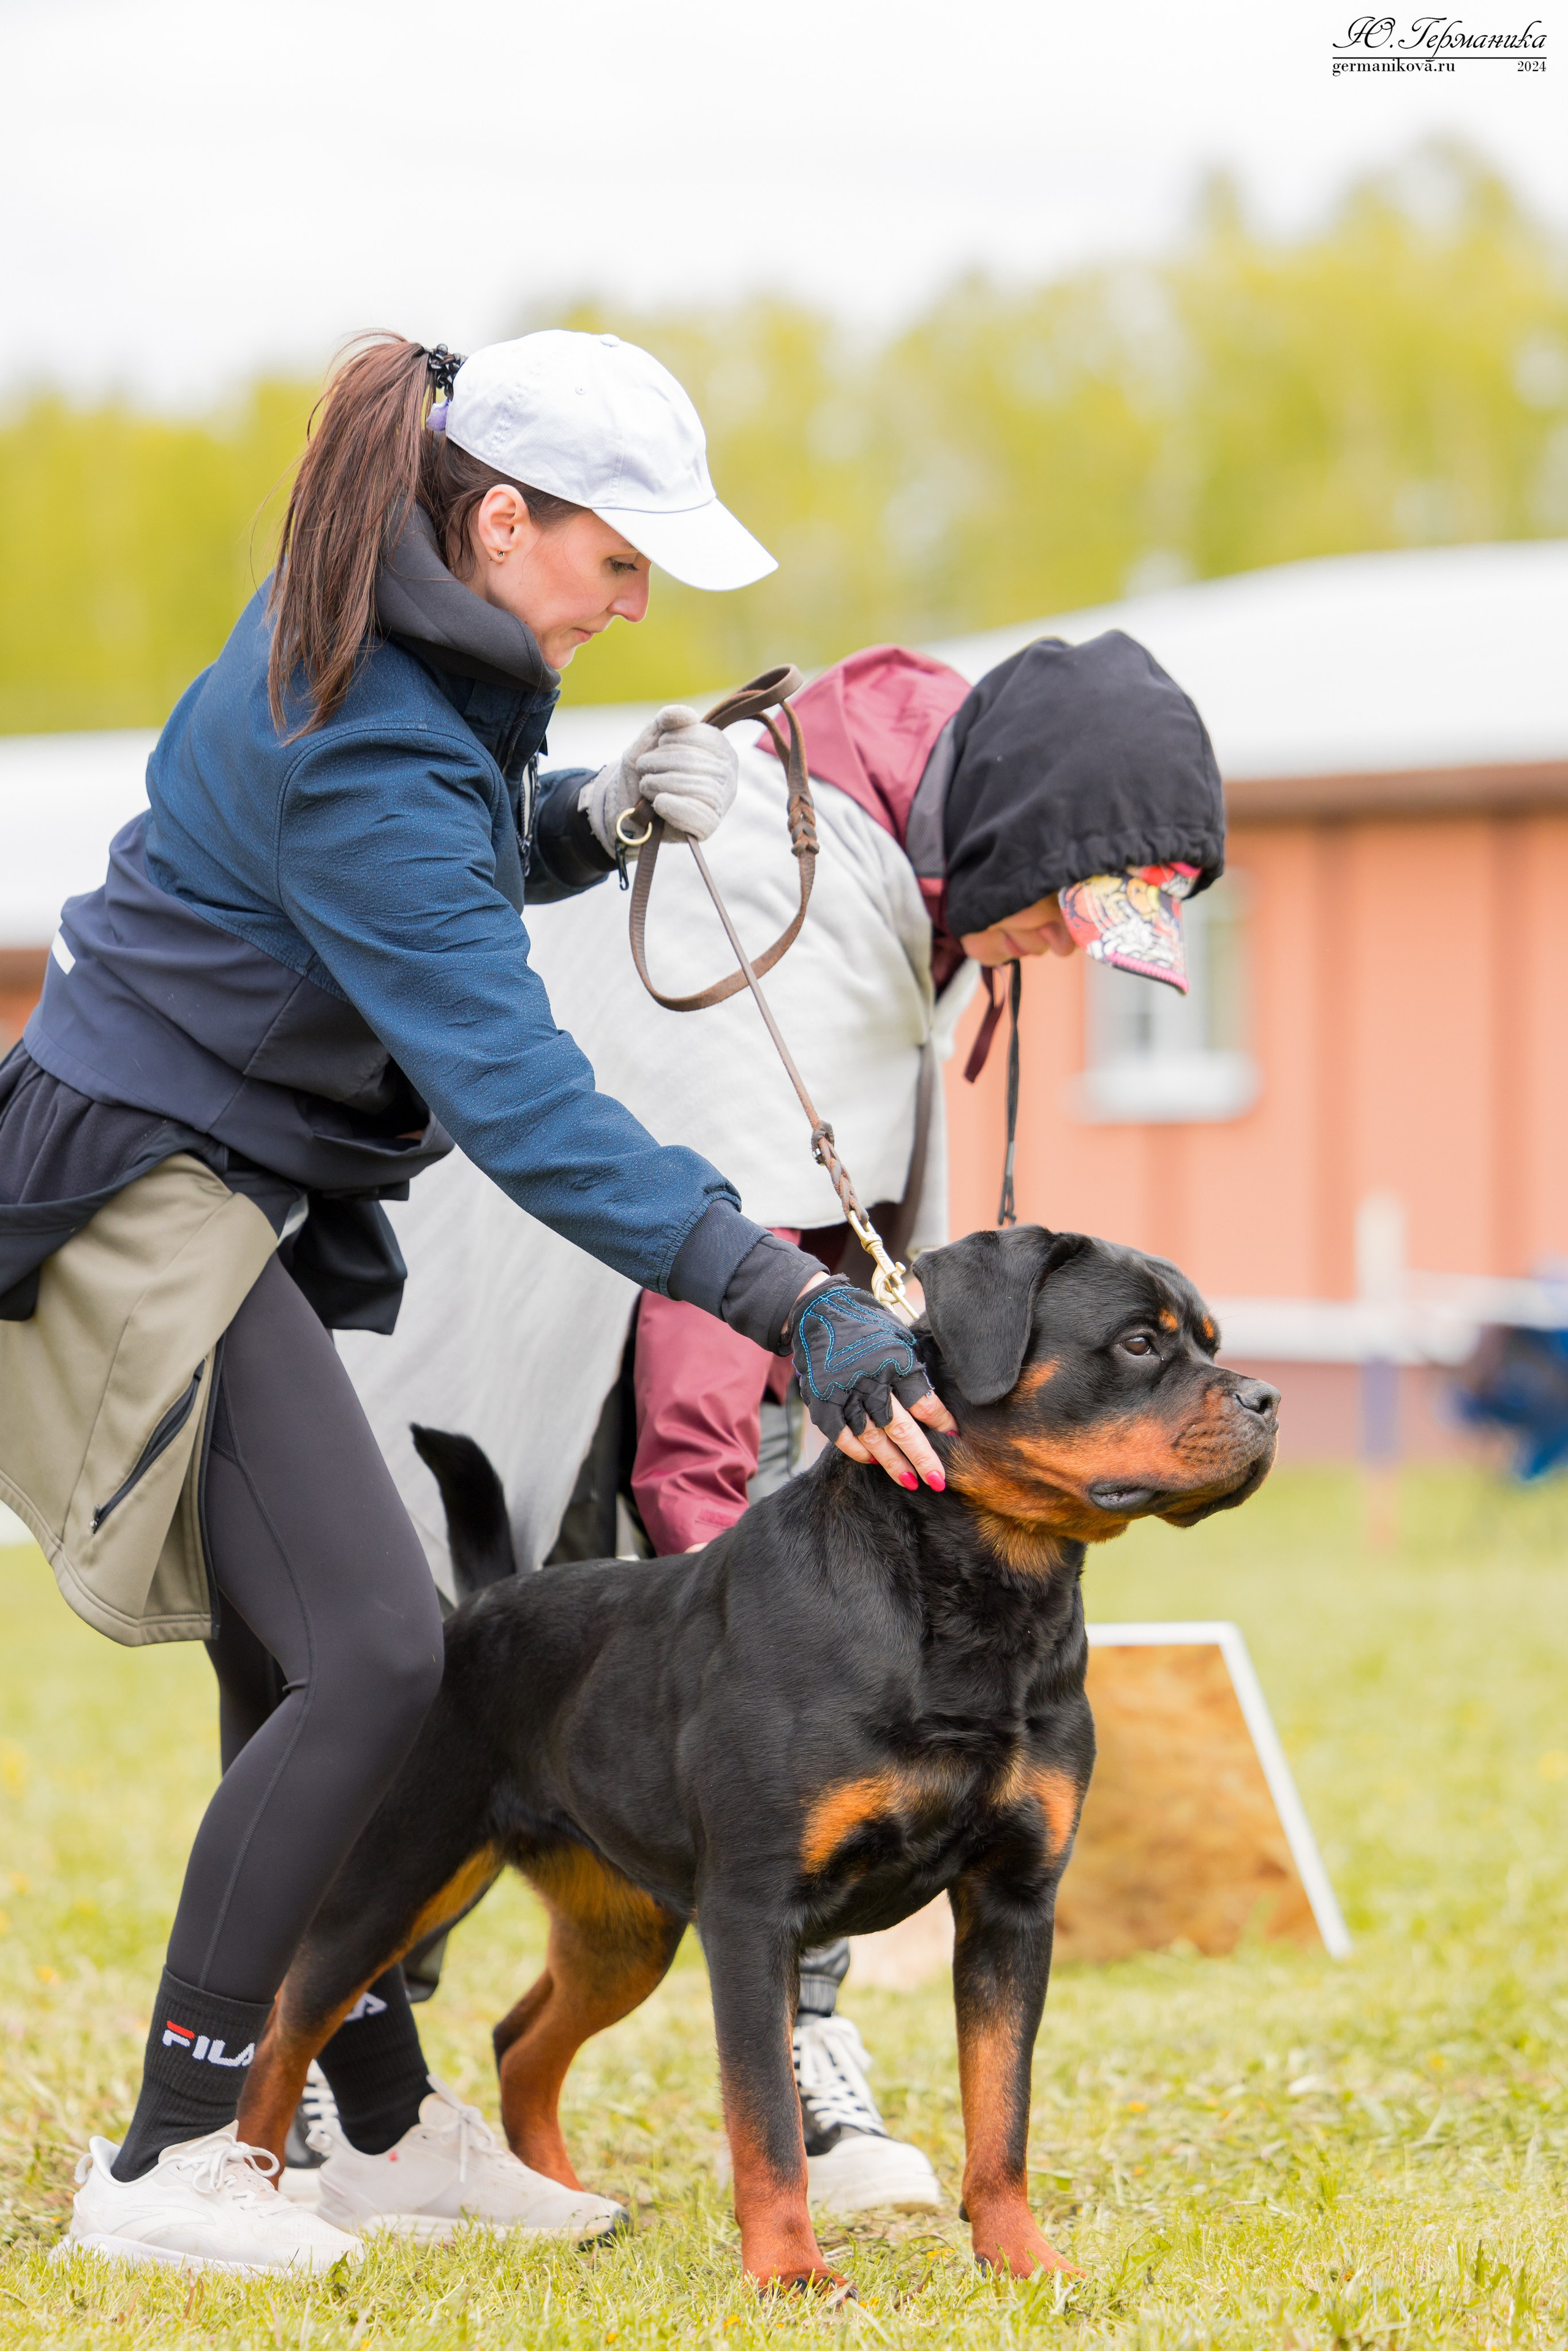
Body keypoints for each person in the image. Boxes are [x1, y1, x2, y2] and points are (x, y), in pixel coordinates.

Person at [0, 330, 951, 2276]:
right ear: (498, 517)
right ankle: (168, 2158)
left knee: (312, 1655)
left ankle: (365, 2129)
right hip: (143, 1197)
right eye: (620, 557)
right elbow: (523, 1107)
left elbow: (423, 862)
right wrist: (790, 1302)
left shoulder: (425, 650)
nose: (639, 597)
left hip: (230, 1183)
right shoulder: (371, 715)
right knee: (376, 1654)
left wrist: (580, 822)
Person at [337, 629, 1226, 2216]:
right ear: (1017, 833)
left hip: (785, 1347)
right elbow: (713, 1258)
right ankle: (365, 2097)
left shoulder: (908, 857)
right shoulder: (783, 868)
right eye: (1058, 916)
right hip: (608, 1322)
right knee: (496, 1729)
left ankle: (776, 2056)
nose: (1052, 950)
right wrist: (759, 1629)